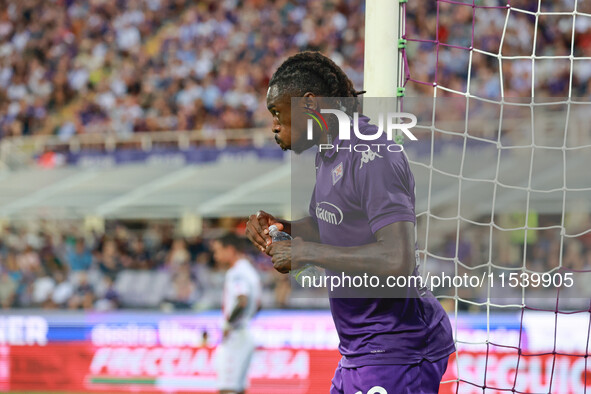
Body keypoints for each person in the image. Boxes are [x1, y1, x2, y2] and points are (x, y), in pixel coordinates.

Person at [246, 51, 455, 393]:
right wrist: (281, 227)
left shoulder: (372, 155)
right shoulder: (330, 152)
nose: (273, 125)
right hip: (360, 350)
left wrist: (308, 253)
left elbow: (399, 260)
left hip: (398, 349)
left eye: (276, 113)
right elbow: (325, 226)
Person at [211, 233, 262, 394]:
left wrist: (229, 324)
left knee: (227, 388)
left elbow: (242, 300)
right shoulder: (250, 271)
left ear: (230, 249)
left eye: (218, 251)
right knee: (237, 388)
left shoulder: (237, 273)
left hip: (236, 335)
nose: (216, 256)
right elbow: (258, 305)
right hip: (245, 333)